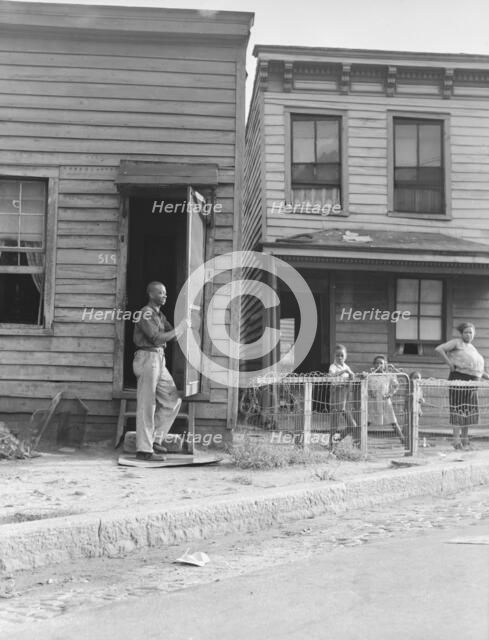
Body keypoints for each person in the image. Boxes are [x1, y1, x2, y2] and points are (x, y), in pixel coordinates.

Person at [132, 281, 188, 461]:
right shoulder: (145, 313)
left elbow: (172, 334)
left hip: (158, 358)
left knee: (172, 399)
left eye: (165, 293)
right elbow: (156, 338)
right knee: (147, 405)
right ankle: (144, 450)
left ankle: (155, 439)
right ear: (151, 295)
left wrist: (186, 322)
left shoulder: (159, 315)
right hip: (147, 357)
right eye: (161, 293)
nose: (165, 296)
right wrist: (179, 329)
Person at [435, 322, 489, 450]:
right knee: (458, 410)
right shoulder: (457, 343)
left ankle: (465, 440)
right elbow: (439, 349)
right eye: (466, 332)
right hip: (459, 379)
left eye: (471, 332)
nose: (468, 335)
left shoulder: (473, 348)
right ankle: (456, 441)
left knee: (468, 412)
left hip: (472, 383)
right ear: (461, 333)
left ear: (474, 334)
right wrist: (449, 364)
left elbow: (478, 370)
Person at [368, 354, 404, 443]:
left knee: (393, 420)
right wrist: (369, 392)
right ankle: (359, 439)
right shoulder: (370, 376)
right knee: (368, 420)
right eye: (376, 363)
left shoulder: (388, 375)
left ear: (384, 365)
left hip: (385, 400)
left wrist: (390, 394)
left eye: (381, 363)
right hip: (374, 401)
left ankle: (402, 439)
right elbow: (366, 386)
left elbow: (396, 385)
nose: (379, 365)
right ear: (374, 364)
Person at [328, 345, 359, 442]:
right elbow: (331, 376)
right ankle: (331, 446)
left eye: (342, 355)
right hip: (336, 395)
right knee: (334, 424)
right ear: (334, 356)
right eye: (337, 355)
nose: (340, 357)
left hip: (346, 397)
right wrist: (343, 372)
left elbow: (352, 376)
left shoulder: (346, 366)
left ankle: (337, 440)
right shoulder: (333, 366)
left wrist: (353, 375)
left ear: (345, 356)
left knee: (352, 425)